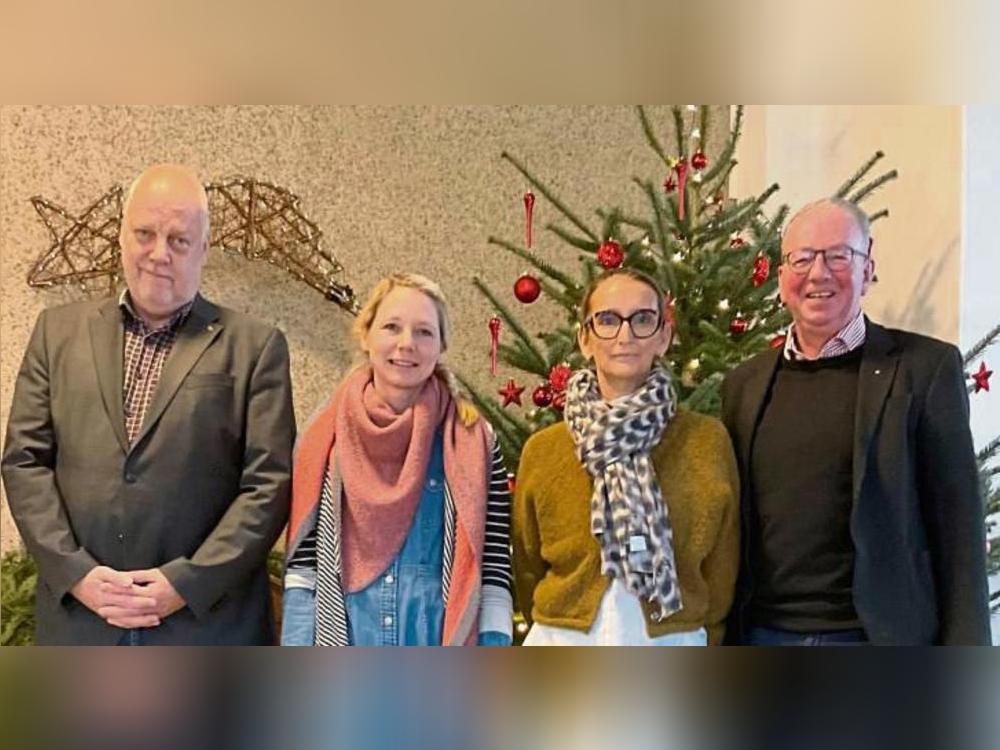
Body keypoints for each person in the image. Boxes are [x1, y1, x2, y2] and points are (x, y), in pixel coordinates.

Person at [1, 164, 295, 645]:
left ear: (203, 249)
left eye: (179, 240)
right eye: (145, 234)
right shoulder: (56, 333)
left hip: (205, 627)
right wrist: (76, 573)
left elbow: (268, 485)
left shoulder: (256, 348)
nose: (159, 253)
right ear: (122, 236)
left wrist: (185, 584)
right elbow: (24, 461)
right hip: (81, 622)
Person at [722, 197, 991, 645]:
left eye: (838, 256)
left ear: (867, 270)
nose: (818, 273)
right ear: (782, 277)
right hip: (761, 636)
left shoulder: (925, 370)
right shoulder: (743, 385)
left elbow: (958, 529)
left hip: (873, 641)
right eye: (802, 258)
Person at [281, 273, 513, 646]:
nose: (407, 344)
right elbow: (304, 568)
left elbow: (495, 567)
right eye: (392, 327)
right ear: (366, 335)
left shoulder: (476, 442)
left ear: (441, 346)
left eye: (424, 332)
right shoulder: (323, 439)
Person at [512, 268, 740, 646]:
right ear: (585, 339)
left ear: (664, 337)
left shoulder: (706, 441)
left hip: (672, 640)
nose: (625, 335)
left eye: (643, 320)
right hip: (563, 640)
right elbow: (527, 562)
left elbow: (723, 564)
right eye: (607, 320)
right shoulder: (544, 449)